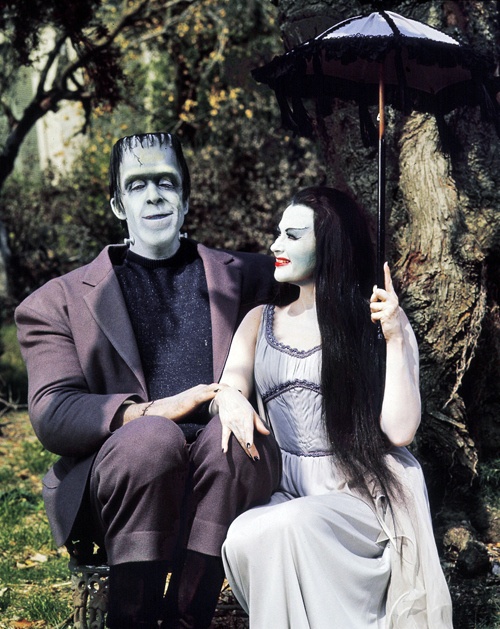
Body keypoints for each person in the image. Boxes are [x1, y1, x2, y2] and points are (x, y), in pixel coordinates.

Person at [15, 132, 283, 629]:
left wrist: (384, 315)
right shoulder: (58, 301)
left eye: (166, 182)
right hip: (122, 487)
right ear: (118, 204)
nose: (154, 195)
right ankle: (131, 619)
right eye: (138, 186)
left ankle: (187, 619)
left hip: (221, 479)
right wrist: (148, 412)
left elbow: (330, 275)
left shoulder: (246, 276)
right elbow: (53, 412)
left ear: (185, 197)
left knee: (232, 442)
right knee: (151, 441)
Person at [211, 187, 453, 628]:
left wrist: (397, 337)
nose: (275, 246)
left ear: (331, 246)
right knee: (246, 533)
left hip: (357, 495)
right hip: (283, 488)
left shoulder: (375, 323)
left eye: (293, 235)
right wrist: (228, 397)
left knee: (288, 526)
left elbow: (400, 432)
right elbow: (228, 387)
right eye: (278, 233)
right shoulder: (257, 321)